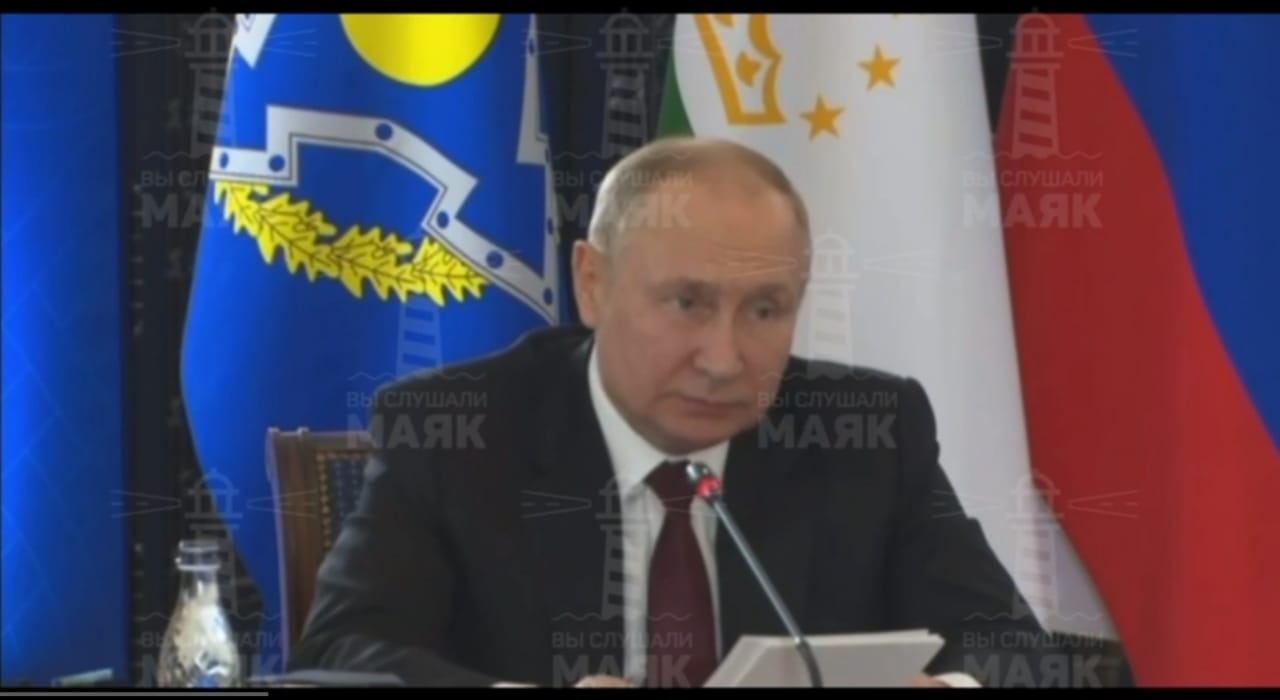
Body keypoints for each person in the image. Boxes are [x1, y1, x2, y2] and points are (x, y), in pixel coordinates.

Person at [287, 136, 1059, 687]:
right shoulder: (455, 429)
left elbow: (1012, 649)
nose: (724, 359)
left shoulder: (868, 431)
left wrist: (952, 688)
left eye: (765, 310)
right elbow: (340, 656)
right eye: (687, 303)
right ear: (592, 284)